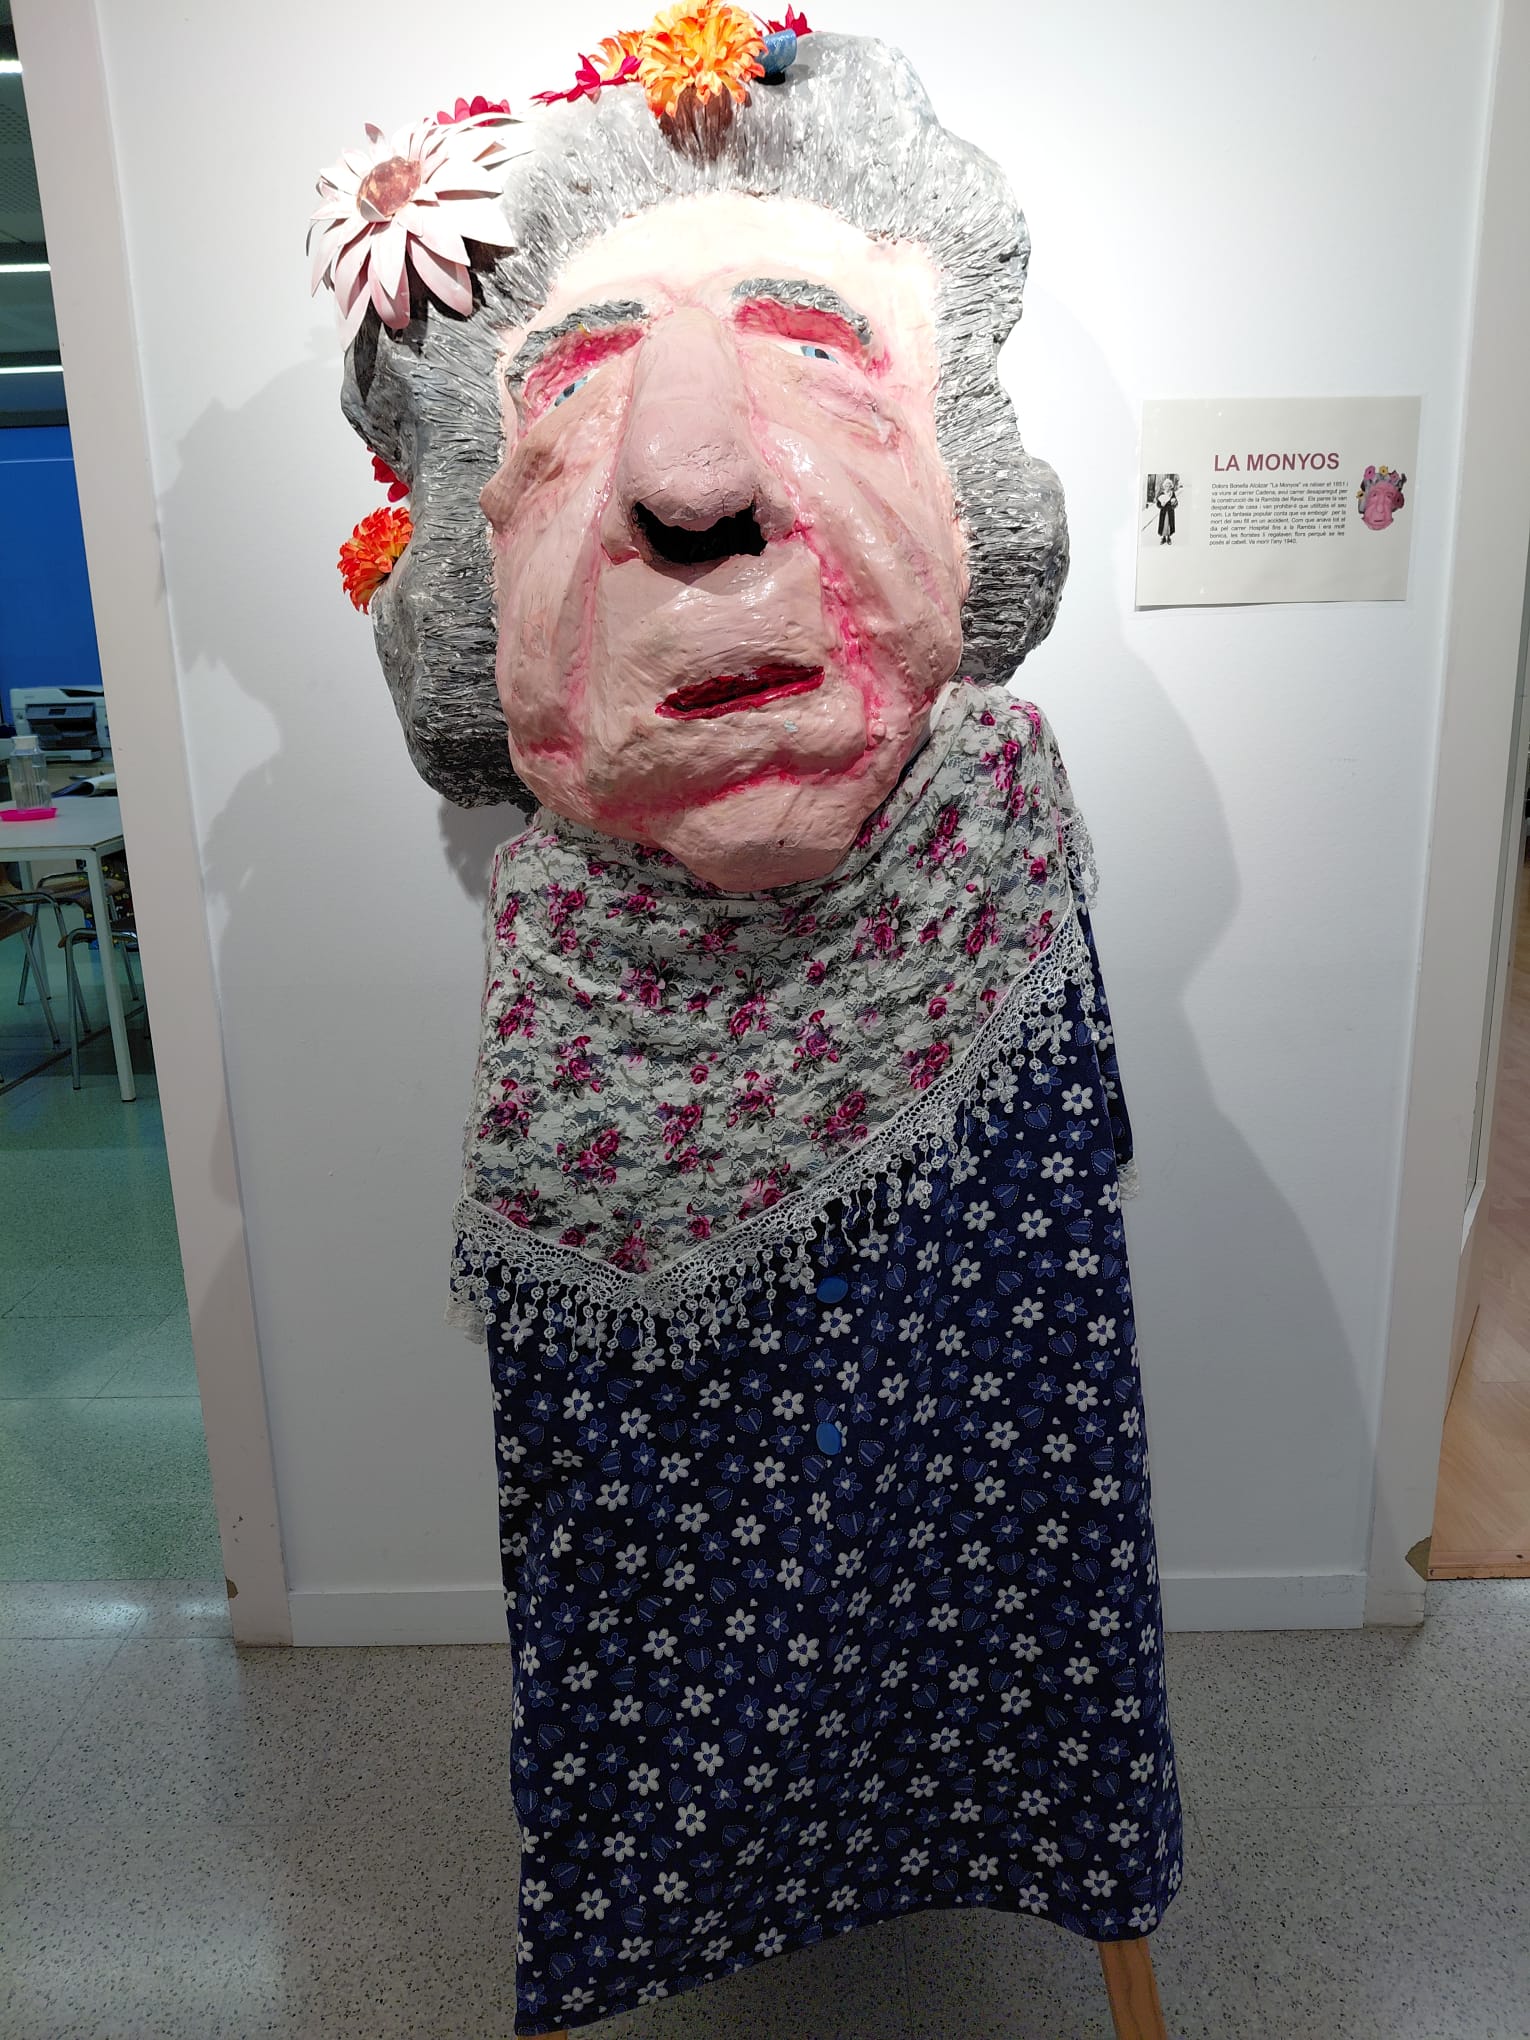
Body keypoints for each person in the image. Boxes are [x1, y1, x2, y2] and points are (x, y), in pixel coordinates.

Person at [313, 19, 1182, 2035]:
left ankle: (1010, 1835)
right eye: (572, 393)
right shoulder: (563, 928)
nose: (695, 479)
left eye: (812, 354)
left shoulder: (995, 824)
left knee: (997, 1543)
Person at [1156, 473, 1178, 544]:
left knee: (1169, 524)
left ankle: (1168, 538)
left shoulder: (1172, 493)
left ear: (1171, 486)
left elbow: (1176, 503)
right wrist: (1161, 505)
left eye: (1169, 486)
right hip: (1163, 512)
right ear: (1164, 486)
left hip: (1170, 511)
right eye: (1166, 486)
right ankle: (1163, 538)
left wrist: (1173, 502)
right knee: (1163, 525)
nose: (1167, 487)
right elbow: (1158, 503)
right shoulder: (1162, 494)